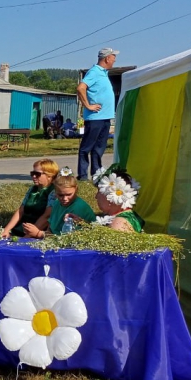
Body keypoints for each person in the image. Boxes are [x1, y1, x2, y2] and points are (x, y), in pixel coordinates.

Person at [76, 48, 119, 180]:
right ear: (107, 58)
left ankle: (96, 173)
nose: (115, 60)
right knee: (87, 147)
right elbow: (81, 88)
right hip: (95, 117)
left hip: (105, 117)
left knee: (99, 147)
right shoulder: (95, 72)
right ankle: (83, 175)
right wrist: (87, 105)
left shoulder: (104, 73)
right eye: (113, 57)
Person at [27, 171, 96, 238]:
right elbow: (51, 229)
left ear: (76, 190)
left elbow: (67, 239)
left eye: (69, 194)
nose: (65, 198)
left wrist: (39, 234)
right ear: (55, 191)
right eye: (60, 195)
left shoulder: (78, 208)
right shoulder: (56, 203)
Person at [1, 158, 59, 238]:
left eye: (37, 174)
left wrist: (27, 236)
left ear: (49, 176)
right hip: (23, 228)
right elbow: (21, 210)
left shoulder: (54, 192)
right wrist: (6, 230)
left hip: (38, 231)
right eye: (32, 173)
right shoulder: (32, 189)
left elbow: (47, 216)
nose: (33, 176)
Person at [93, 165, 145, 232]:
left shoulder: (119, 224)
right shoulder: (129, 215)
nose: (96, 196)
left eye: (99, 191)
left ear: (110, 195)